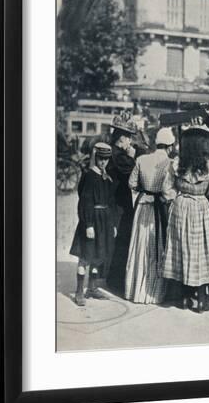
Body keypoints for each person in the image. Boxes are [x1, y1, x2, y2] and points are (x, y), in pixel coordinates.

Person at [162, 122, 209, 313]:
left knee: (182, 250)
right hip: (200, 208)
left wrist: (175, 199)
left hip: (181, 207)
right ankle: (202, 300)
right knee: (202, 252)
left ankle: (184, 298)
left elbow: (166, 190)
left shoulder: (177, 163)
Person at [125, 127, 177, 304]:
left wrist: (144, 189)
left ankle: (135, 290)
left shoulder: (141, 159)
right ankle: (153, 292)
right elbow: (169, 192)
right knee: (156, 246)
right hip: (158, 208)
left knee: (140, 246)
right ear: (170, 146)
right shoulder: (169, 163)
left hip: (142, 207)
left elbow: (131, 183)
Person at [69, 143, 117, 306]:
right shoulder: (89, 176)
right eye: (101, 159)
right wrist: (88, 224)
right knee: (85, 256)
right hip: (91, 220)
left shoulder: (107, 176)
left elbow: (111, 201)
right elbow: (84, 202)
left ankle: (92, 287)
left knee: (99, 255)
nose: (103, 162)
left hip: (104, 221)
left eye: (106, 159)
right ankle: (78, 291)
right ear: (95, 158)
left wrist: (113, 224)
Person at [106, 112, 138, 294]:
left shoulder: (112, 152)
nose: (130, 142)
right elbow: (135, 173)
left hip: (114, 201)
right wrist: (133, 156)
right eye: (129, 138)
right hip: (119, 203)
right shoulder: (120, 156)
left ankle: (110, 277)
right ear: (122, 138)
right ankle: (116, 281)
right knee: (122, 240)